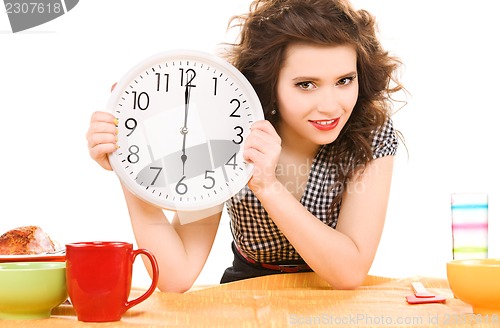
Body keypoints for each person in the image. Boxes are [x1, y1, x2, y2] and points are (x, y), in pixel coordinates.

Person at [86, 0, 403, 293]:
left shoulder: (371, 134)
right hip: (249, 289)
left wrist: (267, 185)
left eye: (344, 80)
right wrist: (126, 165)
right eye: (306, 84)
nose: (331, 106)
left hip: (332, 296)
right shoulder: (228, 129)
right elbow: (175, 275)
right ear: (269, 82)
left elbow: (349, 273)